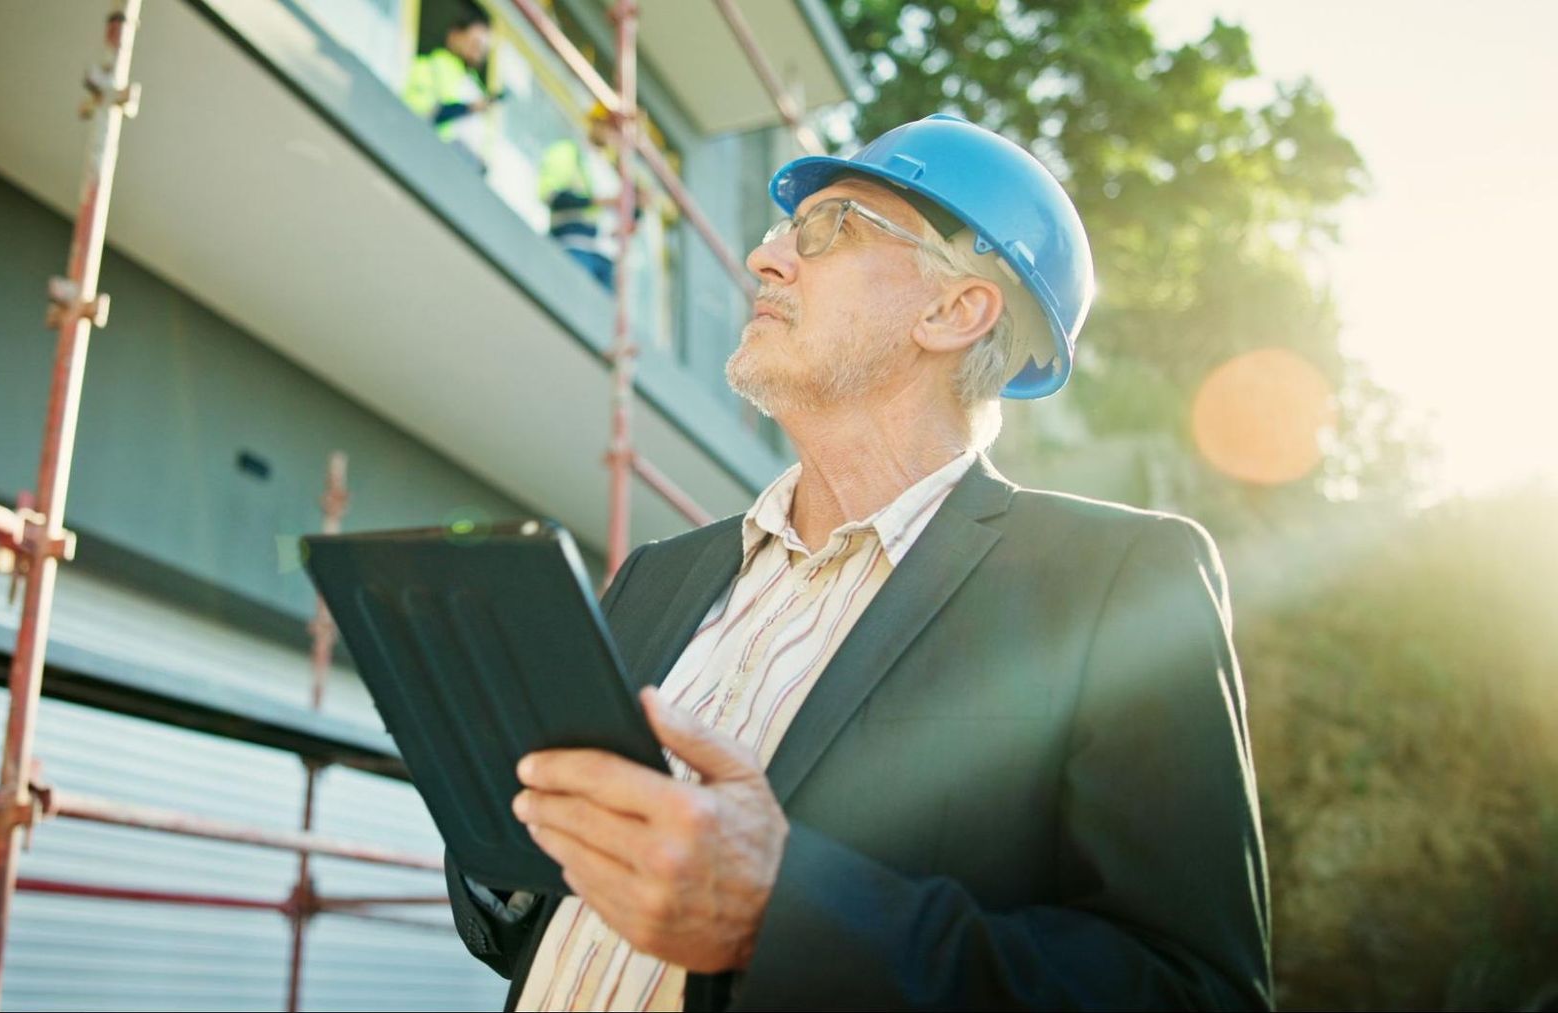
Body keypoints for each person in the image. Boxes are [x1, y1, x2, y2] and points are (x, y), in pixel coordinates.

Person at [445, 114, 1273, 1011]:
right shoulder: (657, 576)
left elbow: (1195, 994)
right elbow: (522, 925)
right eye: (777, 235)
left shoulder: (1113, 584)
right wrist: (515, 843)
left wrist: (781, 912)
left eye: (829, 229)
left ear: (954, 310)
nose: (765, 261)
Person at [402, 3, 501, 174]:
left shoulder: (477, 91)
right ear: (454, 36)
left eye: (482, 50)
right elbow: (417, 114)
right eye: (474, 44)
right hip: (427, 160)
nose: (477, 53)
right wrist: (466, 108)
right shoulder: (429, 66)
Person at [537, 105, 628, 290]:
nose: (613, 133)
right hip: (573, 245)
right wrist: (600, 201)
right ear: (594, 123)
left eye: (616, 128)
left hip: (605, 257)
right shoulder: (568, 152)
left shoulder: (612, 173)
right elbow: (551, 197)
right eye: (609, 125)